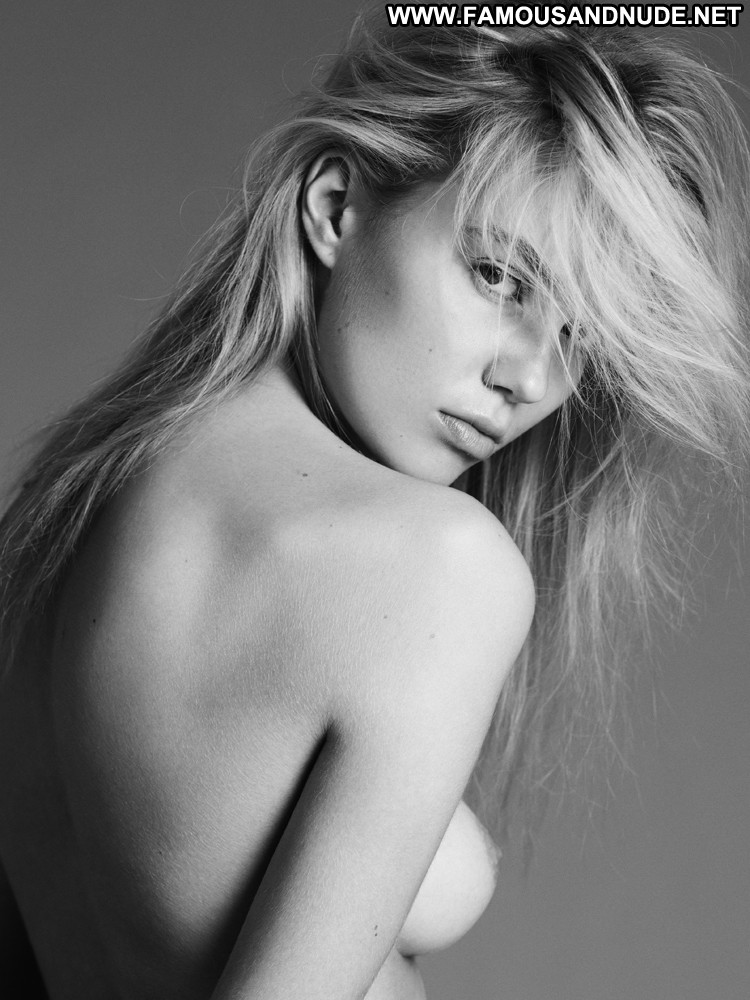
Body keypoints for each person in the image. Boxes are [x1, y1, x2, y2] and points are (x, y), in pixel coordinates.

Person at [0, 6, 748, 999]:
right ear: (336, 205)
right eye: (499, 277)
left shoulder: (62, 510)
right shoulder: (441, 564)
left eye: (582, 336)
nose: (529, 378)